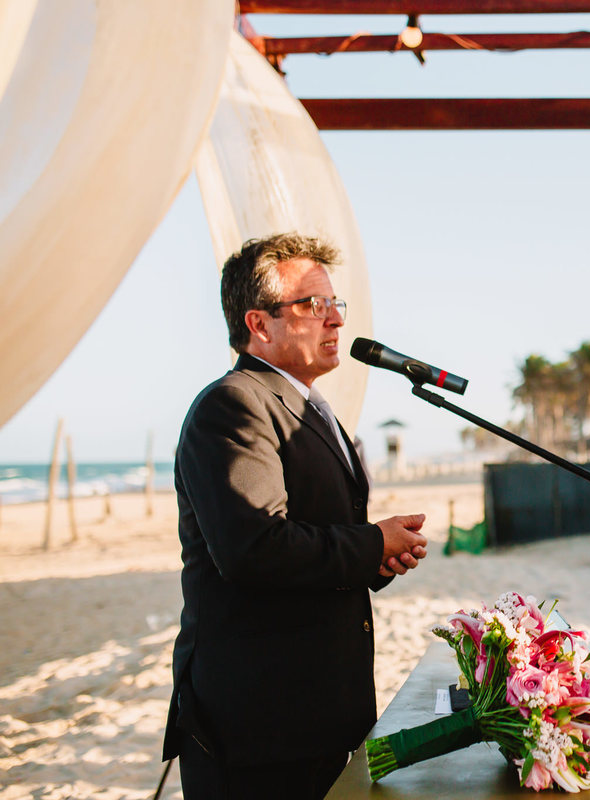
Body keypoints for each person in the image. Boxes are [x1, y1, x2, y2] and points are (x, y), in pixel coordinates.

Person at [163, 233, 430, 799]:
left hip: (325, 712)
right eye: (314, 305)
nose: (334, 321)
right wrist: (367, 545)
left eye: (336, 305)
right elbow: (253, 548)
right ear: (259, 323)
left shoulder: (320, 409)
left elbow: (316, 535)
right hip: (260, 727)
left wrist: (379, 556)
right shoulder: (233, 403)